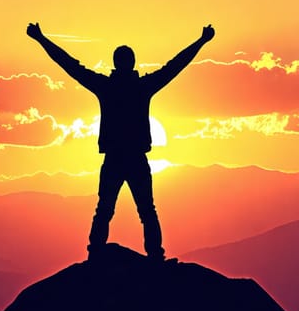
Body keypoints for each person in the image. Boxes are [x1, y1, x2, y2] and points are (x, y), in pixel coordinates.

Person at [27, 22, 215, 261]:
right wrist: (201, 41)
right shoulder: (142, 87)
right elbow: (174, 66)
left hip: (115, 158)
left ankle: (97, 252)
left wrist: (41, 39)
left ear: (116, 63)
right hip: (135, 158)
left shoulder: (106, 87)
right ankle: (154, 255)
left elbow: (69, 65)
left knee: (106, 209)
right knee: (145, 211)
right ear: (132, 63)